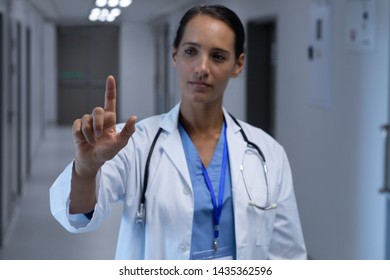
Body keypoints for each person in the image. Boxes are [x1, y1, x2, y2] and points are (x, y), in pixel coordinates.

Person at [50, 4, 307, 260]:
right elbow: (79, 214)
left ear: (238, 64)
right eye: (191, 51)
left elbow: (287, 256)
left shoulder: (268, 153)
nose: (201, 67)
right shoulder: (135, 143)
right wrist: (86, 169)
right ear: (175, 55)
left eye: (218, 56)